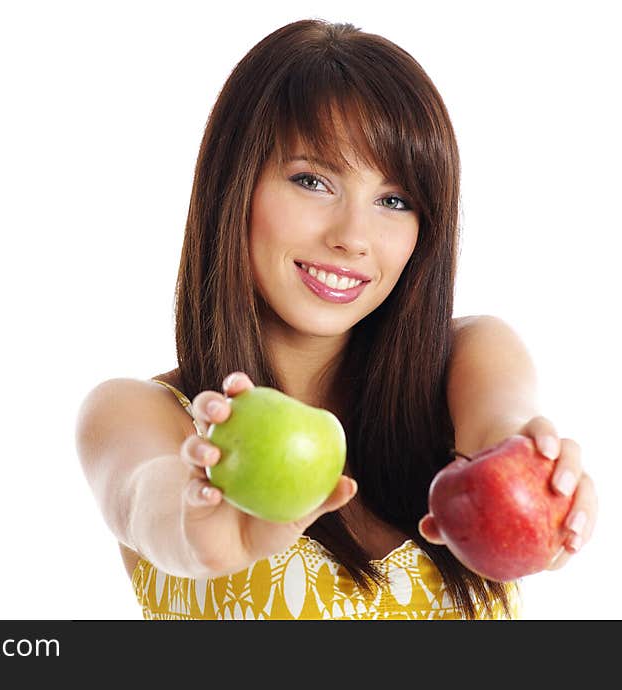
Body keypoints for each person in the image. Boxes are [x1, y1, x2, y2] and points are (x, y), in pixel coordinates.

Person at [74, 19, 597, 619]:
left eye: (394, 200)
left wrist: (543, 490)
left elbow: (503, 426)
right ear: (233, 186)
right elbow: (149, 499)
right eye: (312, 181)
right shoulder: (141, 415)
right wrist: (202, 529)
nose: (353, 237)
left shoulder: (465, 361)